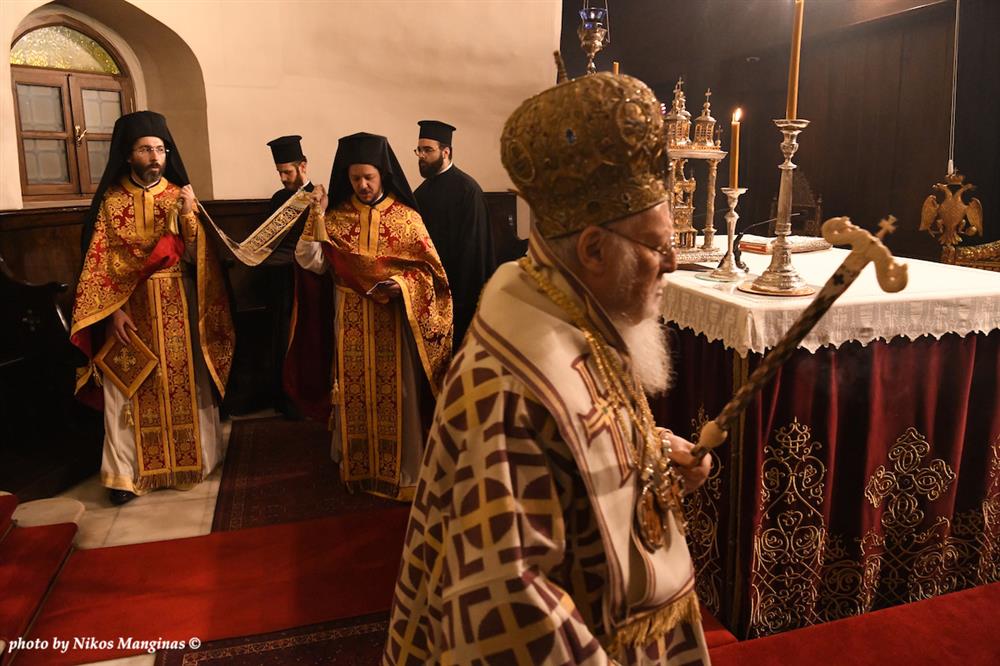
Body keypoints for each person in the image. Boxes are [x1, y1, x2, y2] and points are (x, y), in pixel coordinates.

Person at [383, 73, 712, 664]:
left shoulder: (567, 309)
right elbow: (512, 612)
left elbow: (573, 454)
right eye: (658, 244)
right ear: (593, 249)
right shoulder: (513, 383)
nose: (672, 263)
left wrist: (651, 452)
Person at [70, 111, 234, 506]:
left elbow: (198, 260)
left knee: (184, 383)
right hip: (128, 310)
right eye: (145, 149)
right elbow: (98, 264)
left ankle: (190, 464)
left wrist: (190, 215)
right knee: (127, 389)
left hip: (178, 303)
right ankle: (126, 476)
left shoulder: (179, 196)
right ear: (128, 155)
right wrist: (111, 313)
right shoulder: (110, 202)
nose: (155, 156)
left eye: (160, 149)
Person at [288, 132, 452, 501]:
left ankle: (403, 471)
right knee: (353, 394)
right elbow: (311, 262)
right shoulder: (336, 217)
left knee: (400, 396)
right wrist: (316, 214)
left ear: (383, 175)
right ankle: (358, 467)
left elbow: (432, 275)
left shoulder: (407, 218)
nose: (362, 185)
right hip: (349, 320)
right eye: (355, 178)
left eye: (369, 177)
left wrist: (402, 285)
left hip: (393, 323)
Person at [413, 120, 496, 349]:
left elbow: (474, 252)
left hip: (462, 296)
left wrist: (459, 300)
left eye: (428, 150)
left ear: (446, 152)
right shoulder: (420, 194)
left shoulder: (468, 191)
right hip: (431, 296)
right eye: (419, 150)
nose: (421, 156)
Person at [262, 135, 317, 418]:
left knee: (303, 338)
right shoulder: (278, 199)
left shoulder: (318, 197)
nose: (283, 178)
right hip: (279, 279)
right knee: (280, 337)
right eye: (279, 173)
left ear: (302, 166)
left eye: (287, 172)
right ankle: (283, 398)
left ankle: (303, 399)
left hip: (307, 280)